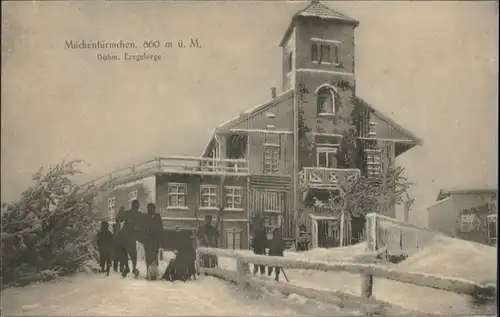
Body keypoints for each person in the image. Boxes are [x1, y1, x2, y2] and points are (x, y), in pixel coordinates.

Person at [116, 199, 142, 278]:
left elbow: (118, 219)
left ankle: (131, 268)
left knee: (130, 253)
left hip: (129, 237)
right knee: (128, 253)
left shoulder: (138, 214)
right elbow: (118, 219)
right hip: (127, 236)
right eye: (135, 206)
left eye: (137, 206)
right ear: (133, 206)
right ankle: (129, 268)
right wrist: (120, 212)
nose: (136, 208)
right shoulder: (131, 213)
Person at [141, 203, 163, 272]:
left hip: (155, 241)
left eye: (152, 209)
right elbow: (142, 229)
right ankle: (148, 271)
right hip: (147, 241)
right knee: (148, 257)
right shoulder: (144, 217)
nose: (150, 210)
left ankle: (155, 272)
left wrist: (160, 241)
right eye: (149, 209)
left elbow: (161, 229)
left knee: (155, 256)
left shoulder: (157, 217)